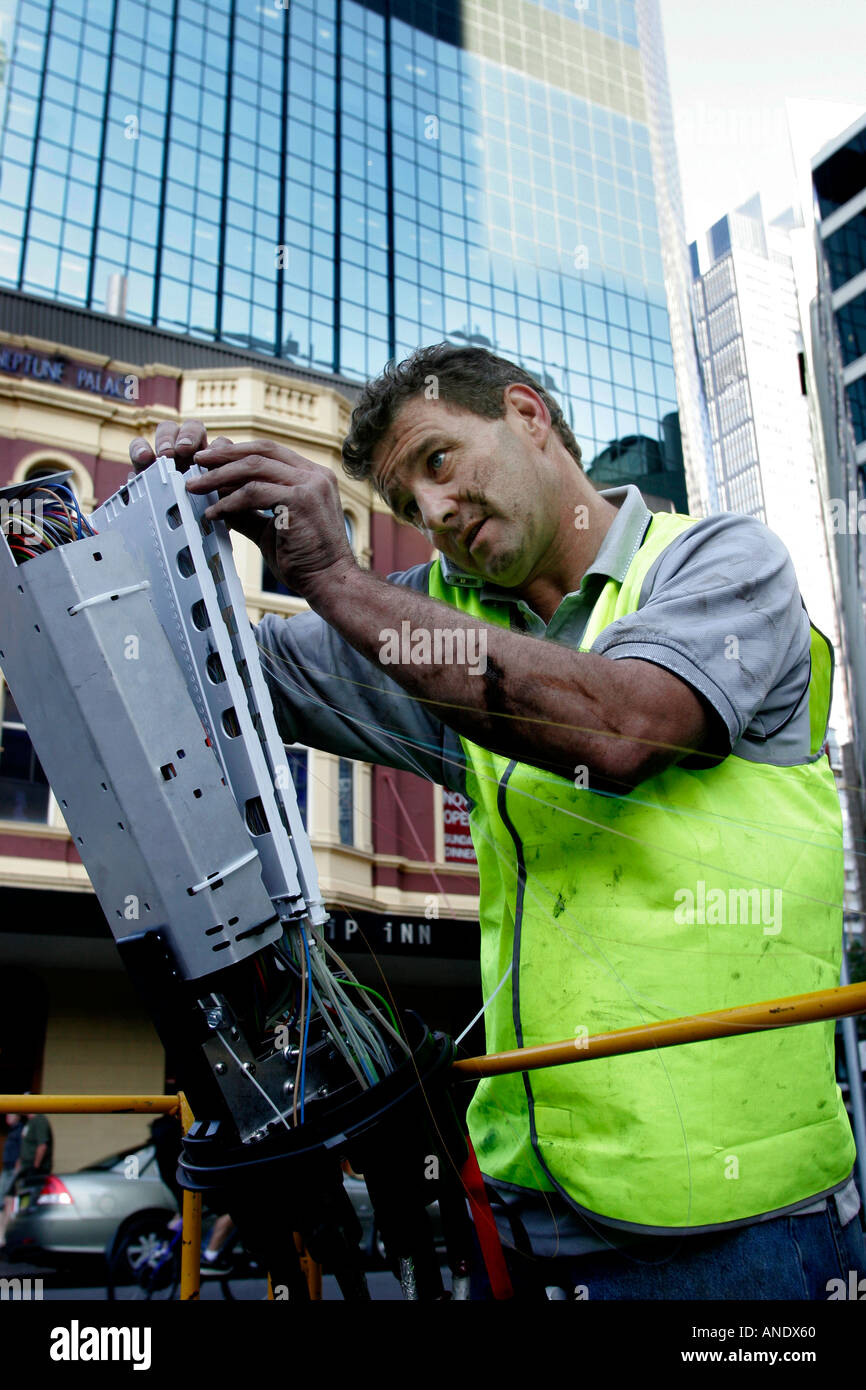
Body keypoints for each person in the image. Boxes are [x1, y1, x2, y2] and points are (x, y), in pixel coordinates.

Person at [130, 342, 864, 1299]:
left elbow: (619, 725)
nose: (433, 513)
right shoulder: (435, 621)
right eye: (407, 504)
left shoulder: (720, 563)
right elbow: (207, 681)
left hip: (736, 1241)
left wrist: (341, 582)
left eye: (438, 461)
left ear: (528, 415)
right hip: (521, 1218)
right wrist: (154, 530)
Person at [15, 1109, 53, 1203]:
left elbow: (42, 1146)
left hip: (35, 1168)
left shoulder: (39, 1120)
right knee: (19, 1195)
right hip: (26, 1167)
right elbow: (27, 1145)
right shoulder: (29, 1122)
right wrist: (20, 1162)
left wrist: (36, 1166)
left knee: (33, 1197)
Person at [0, 1113, 24, 1247]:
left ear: (18, 1116)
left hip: (12, 1170)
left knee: (8, 1201)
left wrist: (17, 1169)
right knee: (2, 1200)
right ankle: (1, 1234)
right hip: (7, 1168)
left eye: (11, 1114)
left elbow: (22, 1151)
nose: (8, 1117)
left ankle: (4, 1236)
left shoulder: (21, 1130)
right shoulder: (13, 1130)